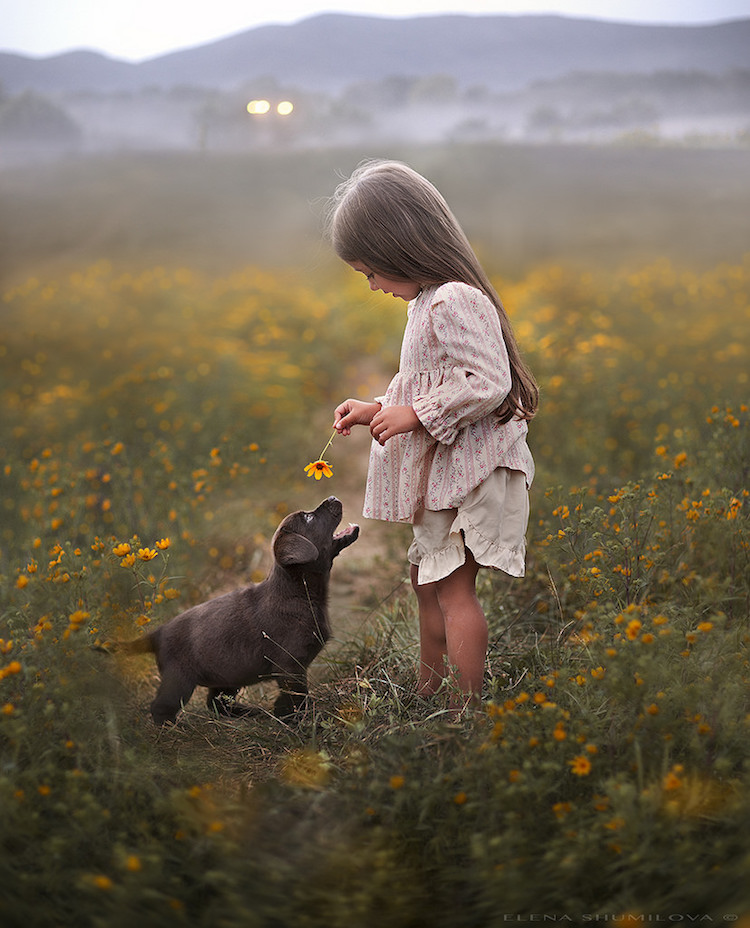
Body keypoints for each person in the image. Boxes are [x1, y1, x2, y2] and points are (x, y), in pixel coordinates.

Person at [329, 160, 537, 707]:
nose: (372, 285)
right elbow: (434, 379)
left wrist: (416, 415)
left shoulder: (454, 298)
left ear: (403, 246)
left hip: (470, 471)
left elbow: (487, 381)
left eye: (371, 271)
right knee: (428, 584)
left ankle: (463, 713)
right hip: (446, 469)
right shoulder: (426, 301)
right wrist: (380, 406)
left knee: (453, 590)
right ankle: (430, 695)